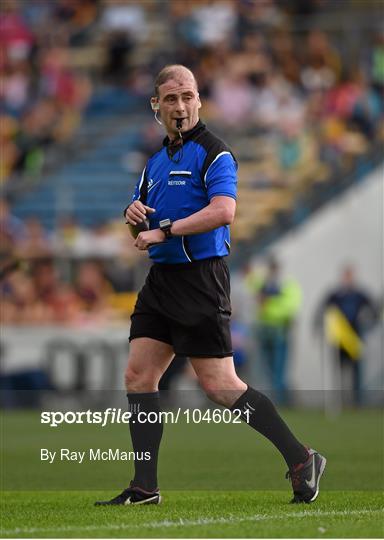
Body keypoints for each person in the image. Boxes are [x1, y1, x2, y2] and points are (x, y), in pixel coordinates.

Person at [95, 65, 326, 507]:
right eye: (170, 99)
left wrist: (164, 229)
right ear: (156, 107)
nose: (180, 106)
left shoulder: (216, 152)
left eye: (187, 96)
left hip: (201, 280)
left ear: (199, 100)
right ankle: (145, 487)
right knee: (138, 376)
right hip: (160, 281)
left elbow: (224, 212)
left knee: (220, 387)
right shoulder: (154, 164)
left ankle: (301, 458)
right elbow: (141, 233)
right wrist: (134, 219)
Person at [315, 265, 378, 406]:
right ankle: (340, 401)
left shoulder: (359, 294)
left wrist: (370, 325)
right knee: (339, 371)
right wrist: (320, 326)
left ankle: (358, 402)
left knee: (357, 371)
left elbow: (374, 308)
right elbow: (322, 309)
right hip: (339, 340)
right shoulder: (336, 295)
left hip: (355, 338)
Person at [247, 257, 302, 404]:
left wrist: (268, 303)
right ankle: (273, 401)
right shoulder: (263, 284)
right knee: (265, 369)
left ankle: (280, 401)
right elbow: (251, 284)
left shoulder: (287, 285)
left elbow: (289, 308)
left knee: (278, 369)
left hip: (279, 331)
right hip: (264, 330)